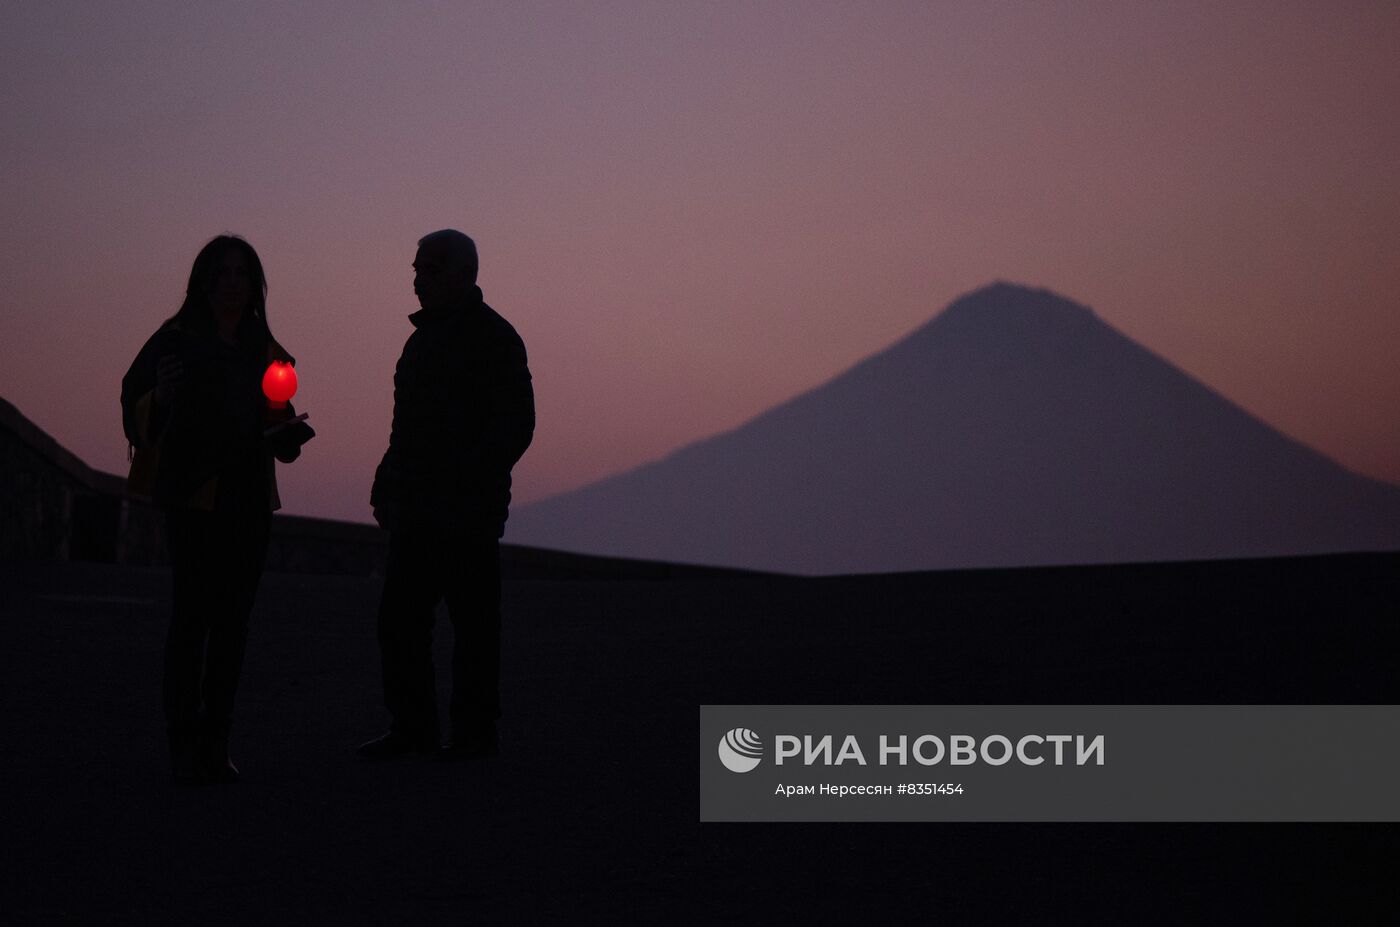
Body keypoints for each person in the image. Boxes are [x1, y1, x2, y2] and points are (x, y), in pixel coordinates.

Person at [121, 235, 313, 784]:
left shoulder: (265, 348)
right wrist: (159, 396)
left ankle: (216, 740)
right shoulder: (175, 341)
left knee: (233, 623)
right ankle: (182, 740)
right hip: (194, 496)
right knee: (191, 620)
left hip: (248, 498)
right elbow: (135, 398)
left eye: (242, 273)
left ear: (255, 286)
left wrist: (286, 429)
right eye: (223, 272)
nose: (233, 281)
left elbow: (277, 420)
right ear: (204, 281)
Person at [360, 229, 534, 760]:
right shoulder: (420, 341)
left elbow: (516, 426)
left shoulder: (495, 339)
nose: (418, 280)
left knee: (473, 628)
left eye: (430, 270)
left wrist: (467, 480)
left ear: (465, 274)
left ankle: (474, 735)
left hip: (466, 515)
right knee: (401, 623)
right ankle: (413, 728)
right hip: (417, 511)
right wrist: (388, 478)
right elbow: (405, 426)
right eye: (416, 269)